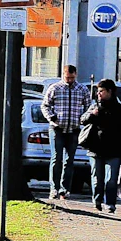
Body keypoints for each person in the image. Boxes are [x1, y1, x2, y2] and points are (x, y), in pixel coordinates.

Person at [78, 80, 121, 212]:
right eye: (98, 91)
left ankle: (110, 203)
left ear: (110, 91)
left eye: (101, 91)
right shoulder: (95, 107)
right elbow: (82, 120)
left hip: (114, 149)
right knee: (97, 178)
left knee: (112, 179)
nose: (99, 94)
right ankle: (97, 200)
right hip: (96, 148)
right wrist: (92, 114)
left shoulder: (120, 110)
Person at [40, 65, 92, 199]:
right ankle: (54, 188)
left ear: (76, 75)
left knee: (69, 160)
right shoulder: (55, 88)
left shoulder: (82, 89)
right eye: (67, 77)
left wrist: (82, 119)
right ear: (63, 75)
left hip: (74, 129)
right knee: (56, 158)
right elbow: (45, 105)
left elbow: (88, 107)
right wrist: (51, 117)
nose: (69, 80)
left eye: (72, 77)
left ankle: (65, 189)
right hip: (57, 128)